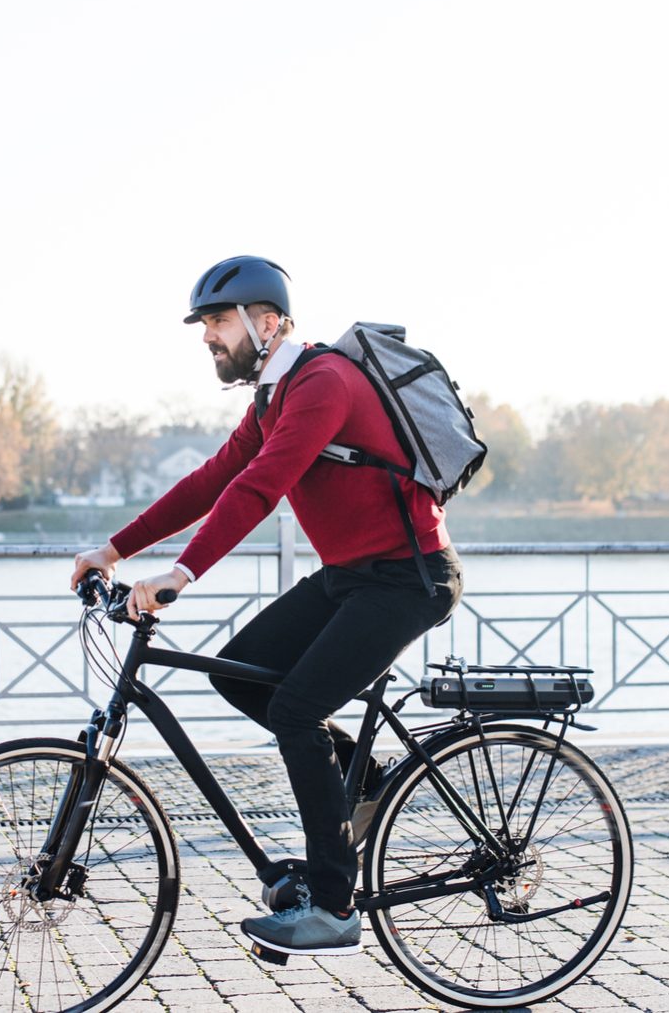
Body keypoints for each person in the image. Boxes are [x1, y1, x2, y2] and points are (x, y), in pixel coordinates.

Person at [70, 255, 463, 957]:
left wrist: (182, 573)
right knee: (239, 672)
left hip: (409, 579)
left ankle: (335, 909)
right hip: (350, 576)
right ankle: (364, 778)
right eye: (205, 324)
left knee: (295, 711)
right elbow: (214, 481)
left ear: (269, 322)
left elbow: (261, 488)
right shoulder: (272, 397)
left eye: (218, 321)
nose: (207, 336)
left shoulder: (322, 383)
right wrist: (114, 549)